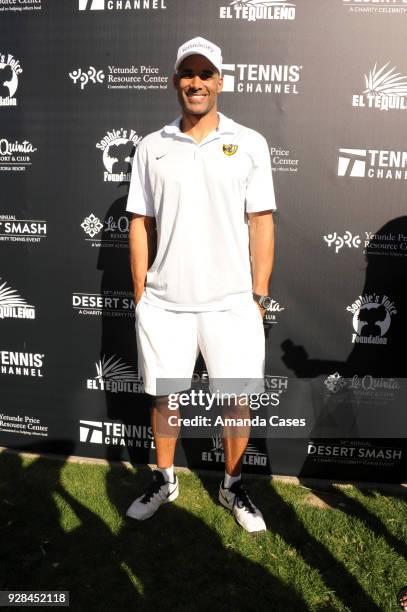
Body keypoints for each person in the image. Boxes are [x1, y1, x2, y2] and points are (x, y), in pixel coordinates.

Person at [125, 36, 276, 533]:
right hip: (166, 305)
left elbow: (261, 222)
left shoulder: (249, 143)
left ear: (220, 82)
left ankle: (233, 486)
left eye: (205, 74)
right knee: (167, 398)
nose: (196, 82)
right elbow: (139, 222)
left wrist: (257, 296)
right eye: (187, 74)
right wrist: (142, 295)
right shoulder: (152, 146)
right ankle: (165, 479)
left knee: (236, 400)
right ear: (175, 82)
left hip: (231, 304)